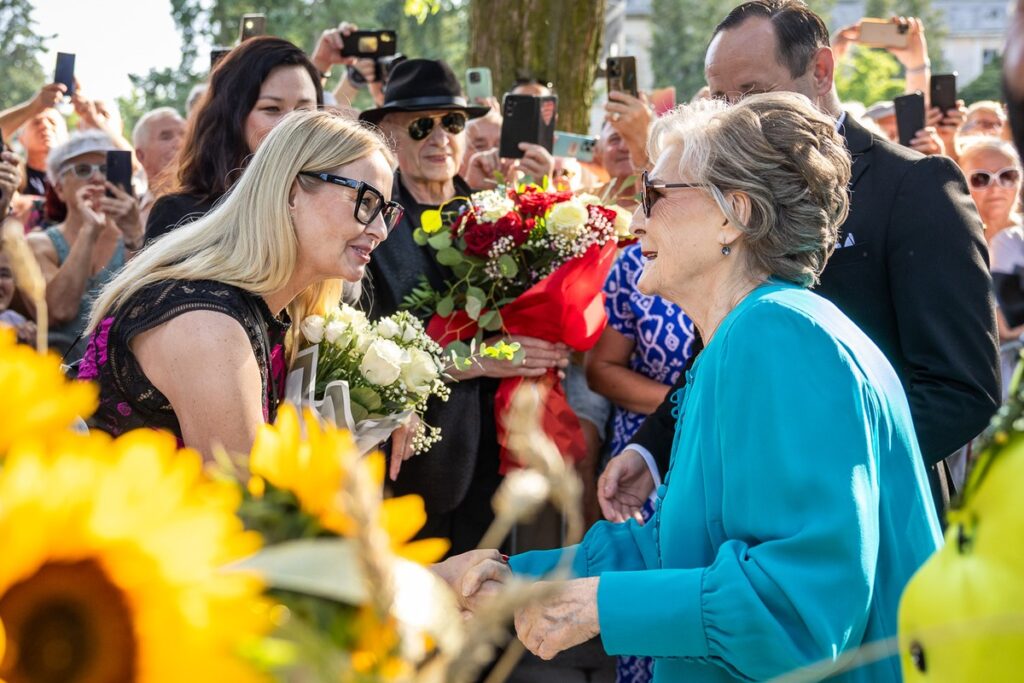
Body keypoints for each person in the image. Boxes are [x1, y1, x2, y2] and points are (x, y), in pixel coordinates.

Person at [457, 93, 941, 682]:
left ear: (732, 214)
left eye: (653, 196)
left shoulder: (781, 335)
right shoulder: (750, 334)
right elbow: (673, 548)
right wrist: (508, 579)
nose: (635, 220)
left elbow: (796, 615)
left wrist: (598, 608)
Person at [600, 0, 999, 521]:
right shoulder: (721, 195)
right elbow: (721, 352)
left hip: (875, 518)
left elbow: (960, 387)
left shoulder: (914, 187)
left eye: (752, 92)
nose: (733, 112)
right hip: (750, 521)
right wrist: (651, 450)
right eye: (721, 96)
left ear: (820, 70)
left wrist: (823, 476)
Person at [80, 110, 399, 459]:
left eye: (386, 210)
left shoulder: (283, 305)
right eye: (366, 202)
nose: (380, 231)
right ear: (292, 192)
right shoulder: (206, 326)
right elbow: (248, 501)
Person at [359, 59, 570, 554]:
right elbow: (366, 352)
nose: (440, 138)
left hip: (503, 456)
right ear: (389, 136)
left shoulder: (493, 212)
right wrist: (483, 359)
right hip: (415, 461)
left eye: (452, 123)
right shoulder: (371, 228)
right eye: (420, 125)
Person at [144, 36, 324, 242]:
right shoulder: (180, 216)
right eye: (272, 109)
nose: (291, 122)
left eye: (305, 110)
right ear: (233, 118)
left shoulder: (337, 205)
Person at [25, 131, 141, 364]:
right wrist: (89, 232)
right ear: (59, 189)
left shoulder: (130, 235)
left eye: (105, 169)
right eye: (83, 170)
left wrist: (135, 233)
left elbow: (145, 304)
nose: (97, 179)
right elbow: (59, 311)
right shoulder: (40, 244)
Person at [131, 107, 186, 224]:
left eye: (185, 135)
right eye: (166, 137)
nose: (180, 144)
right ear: (140, 155)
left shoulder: (210, 203)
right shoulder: (131, 213)